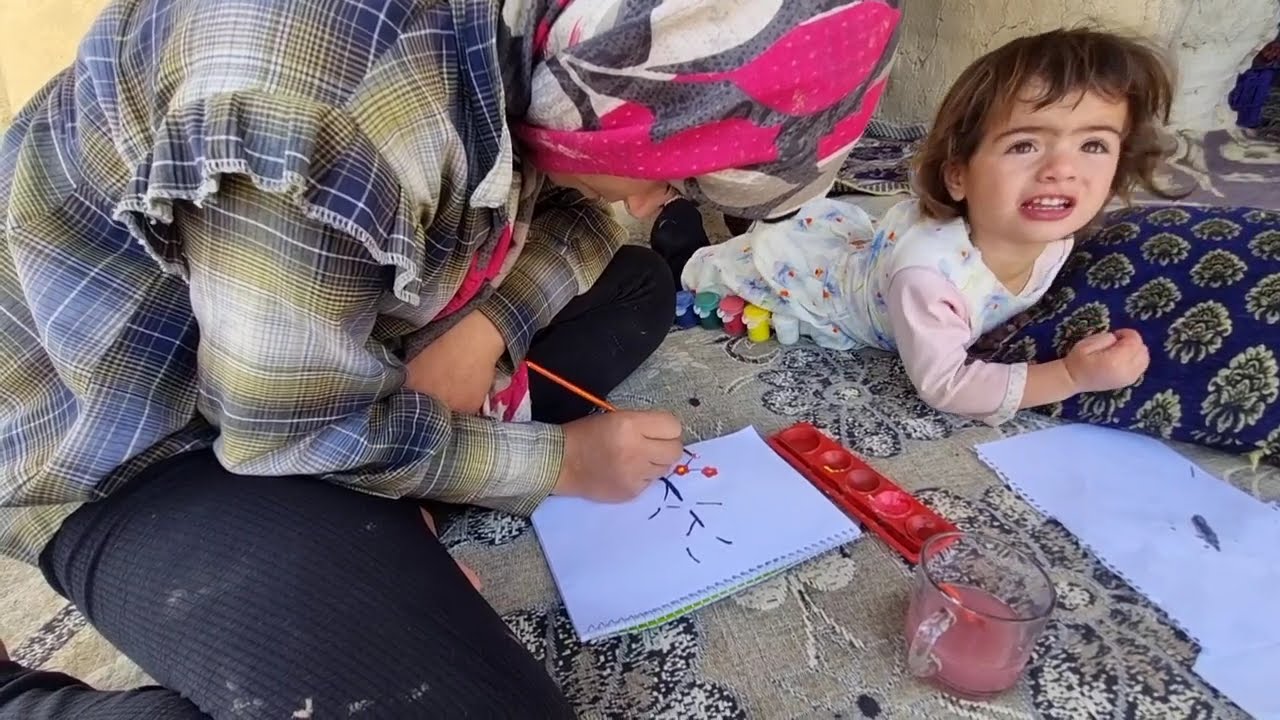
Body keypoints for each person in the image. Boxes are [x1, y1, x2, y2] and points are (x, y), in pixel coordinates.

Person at [0, 0, 902, 716]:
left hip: (325, 333)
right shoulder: (315, 107)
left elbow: (596, 206)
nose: (650, 205)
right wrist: (563, 464)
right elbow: (283, 431)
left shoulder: (556, 43)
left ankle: (393, 487)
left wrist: (487, 331)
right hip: (122, 432)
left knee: (636, 285)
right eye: (670, 178)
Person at [676, 28, 1177, 426]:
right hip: (817, 284)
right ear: (958, 173)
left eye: (1093, 145)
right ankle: (681, 239)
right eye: (1025, 145)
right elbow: (946, 385)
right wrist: (1070, 375)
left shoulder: (1066, 228)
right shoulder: (929, 279)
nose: (1062, 169)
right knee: (714, 271)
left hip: (862, 247)